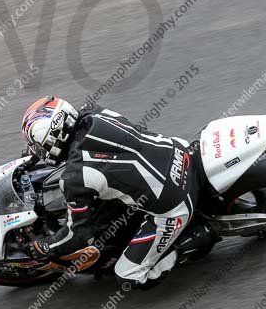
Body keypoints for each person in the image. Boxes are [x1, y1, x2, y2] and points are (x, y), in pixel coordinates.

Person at [21, 96, 204, 290]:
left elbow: (77, 237)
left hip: (174, 202)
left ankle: (197, 237)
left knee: (128, 276)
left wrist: (45, 246)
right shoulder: (93, 112)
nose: (38, 151)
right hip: (179, 150)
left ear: (53, 140)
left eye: (40, 147)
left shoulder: (75, 178)